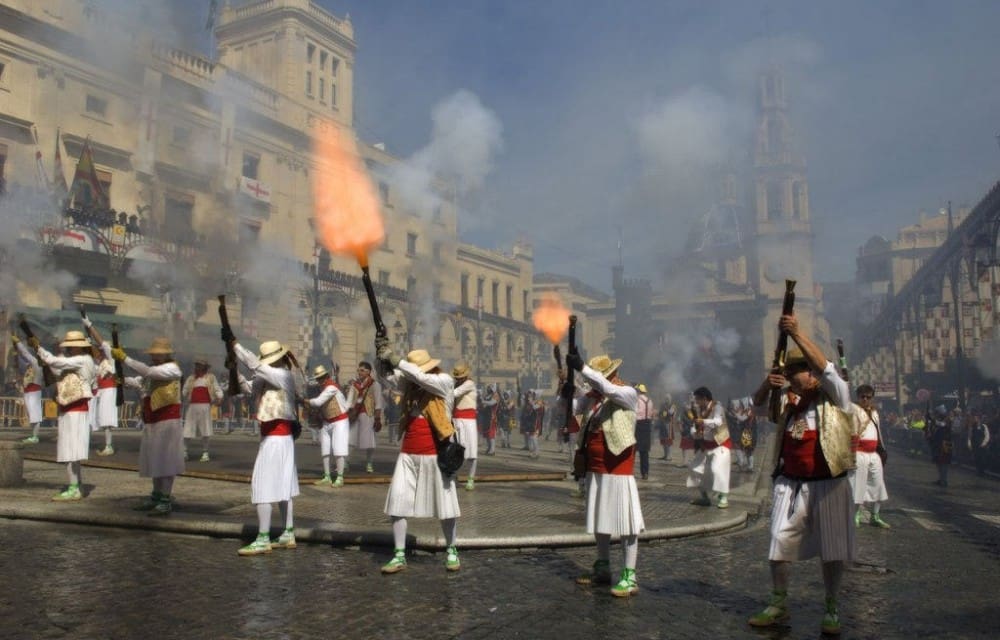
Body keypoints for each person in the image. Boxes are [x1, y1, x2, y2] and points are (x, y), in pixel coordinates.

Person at [748, 314, 856, 636]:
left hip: (829, 483)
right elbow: (757, 404)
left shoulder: (836, 394)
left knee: (833, 549)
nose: (799, 375)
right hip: (791, 483)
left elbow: (826, 368)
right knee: (778, 541)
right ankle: (778, 602)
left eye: (803, 369)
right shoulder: (786, 401)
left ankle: (831, 606)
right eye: (794, 370)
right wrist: (768, 383)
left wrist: (795, 333)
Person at [375, 341, 461, 574]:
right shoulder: (410, 383)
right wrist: (381, 357)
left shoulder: (443, 381)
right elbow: (385, 377)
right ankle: (399, 555)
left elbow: (418, 376)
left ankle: (452, 550)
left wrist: (396, 360)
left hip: (436, 454)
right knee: (396, 504)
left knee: (446, 508)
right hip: (408, 454)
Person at [567, 352, 644, 598]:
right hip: (595, 465)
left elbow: (607, 388)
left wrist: (582, 368)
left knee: (627, 522)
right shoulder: (592, 398)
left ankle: (630, 575)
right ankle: (603, 565)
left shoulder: (626, 393)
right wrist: (566, 393)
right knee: (600, 518)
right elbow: (570, 410)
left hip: (618, 465)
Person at [226, 332, 302, 556]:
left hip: (276, 438)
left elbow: (255, 365)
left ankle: (263, 538)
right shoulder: (269, 375)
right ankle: (288, 533)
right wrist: (234, 369)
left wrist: (235, 346)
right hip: (276, 437)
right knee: (283, 487)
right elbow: (248, 387)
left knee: (263, 486)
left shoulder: (282, 375)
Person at [113, 337, 184, 516]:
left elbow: (148, 372)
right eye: (154, 354)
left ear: (167, 355)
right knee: (155, 460)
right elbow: (139, 382)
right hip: (153, 420)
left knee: (166, 461)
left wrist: (125, 358)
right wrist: (120, 378)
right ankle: (156, 495)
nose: (155, 356)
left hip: (168, 420)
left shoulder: (172, 368)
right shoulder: (152, 372)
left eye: (159, 354)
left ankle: (165, 499)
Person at [28, 331, 97, 501]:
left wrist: (39, 348)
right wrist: (43, 359)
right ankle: (76, 485)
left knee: (70, 451)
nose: (69, 349)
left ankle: (74, 488)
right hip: (70, 408)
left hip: (75, 409)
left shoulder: (82, 359)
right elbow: (57, 369)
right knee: (71, 451)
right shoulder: (78, 361)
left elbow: (54, 361)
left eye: (71, 346)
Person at [850, 384, 890, 528]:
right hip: (859, 453)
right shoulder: (853, 411)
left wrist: (882, 449)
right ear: (858, 397)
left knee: (878, 484)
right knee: (858, 485)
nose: (865, 399)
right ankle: (855, 515)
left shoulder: (874, 413)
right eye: (863, 397)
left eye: (868, 397)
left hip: (873, 453)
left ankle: (875, 515)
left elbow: (878, 432)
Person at [685, 386, 731, 508]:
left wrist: (703, 421)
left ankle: (723, 497)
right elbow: (694, 425)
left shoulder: (717, 407)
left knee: (717, 469)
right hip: (705, 444)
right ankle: (704, 497)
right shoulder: (699, 410)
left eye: (698, 399)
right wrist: (694, 432)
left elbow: (718, 422)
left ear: (704, 398)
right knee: (694, 468)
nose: (696, 402)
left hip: (720, 444)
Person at [308, 364, 349, 487]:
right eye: (318, 378)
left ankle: (340, 477)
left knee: (338, 449)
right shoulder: (323, 388)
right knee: (325, 449)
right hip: (327, 421)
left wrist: (306, 401)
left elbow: (318, 402)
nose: (319, 380)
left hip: (340, 421)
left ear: (326, 377)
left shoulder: (331, 387)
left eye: (321, 378)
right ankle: (327, 476)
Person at [182, 359, 224, 462]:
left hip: (205, 406)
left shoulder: (210, 378)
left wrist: (219, 397)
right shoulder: (191, 378)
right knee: (188, 429)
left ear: (204, 367)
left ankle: (205, 452)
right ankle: (184, 451)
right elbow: (184, 391)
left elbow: (217, 389)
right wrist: (184, 393)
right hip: (192, 406)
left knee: (205, 430)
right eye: (197, 365)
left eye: (199, 365)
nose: (197, 367)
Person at [346, 361, 383, 473]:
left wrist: (377, 418)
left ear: (368, 372)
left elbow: (378, 403)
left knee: (369, 441)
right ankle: (346, 462)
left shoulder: (375, 385)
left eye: (362, 370)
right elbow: (349, 401)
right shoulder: (354, 385)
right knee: (350, 439)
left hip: (368, 415)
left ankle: (369, 463)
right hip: (355, 415)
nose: (359, 372)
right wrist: (346, 412)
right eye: (358, 370)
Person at [13, 334, 45, 444]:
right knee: (32, 415)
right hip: (29, 391)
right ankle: (33, 435)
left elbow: (25, 353)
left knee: (35, 415)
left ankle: (35, 437)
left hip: (34, 392)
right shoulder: (33, 364)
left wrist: (18, 343)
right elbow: (22, 359)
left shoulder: (36, 363)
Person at [451, 361, 479, 490]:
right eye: (457, 377)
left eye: (460, 377)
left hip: (468, 421)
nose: (458, 379)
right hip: (456, 420)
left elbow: (454, 393)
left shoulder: (469, 383)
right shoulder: (456, 384)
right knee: (455, 450)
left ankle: (471, 479)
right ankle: (453, 476)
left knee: (471, 452)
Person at [926, 405, 953, 487]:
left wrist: (931, 419)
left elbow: (942, 425)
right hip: (938, 445)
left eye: (937, 413)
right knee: (938, 462)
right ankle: (941, 479)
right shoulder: (938, 421)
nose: (936, 415)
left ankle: (944, 480)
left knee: (944, 463)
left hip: (945, 445)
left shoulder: (947, 420)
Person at [729, 397, 758, 472]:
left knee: (748, 447)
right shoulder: (745, 409)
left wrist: (735, 413)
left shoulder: (748, 406)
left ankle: (750, 467)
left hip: (748, 429)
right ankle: (742, 464)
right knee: (740, 445)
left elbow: (744, 416)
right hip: (741, 427)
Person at [634, 383, 654, 480]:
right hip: (647, 425)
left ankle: (630, 471)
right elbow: (651, 413)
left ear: (638, 391)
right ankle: (645, 473)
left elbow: (634, 412)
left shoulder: (637, 400)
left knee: (633, 450)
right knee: (644, 452)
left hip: (638, 425)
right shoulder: (650, 401)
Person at [967, 410, 991, 477]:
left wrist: (984, 443)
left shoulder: (984, 426)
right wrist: (969, 444)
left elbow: (987, 435)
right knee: (976, 458)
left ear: (979, 419)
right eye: (974, 418)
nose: (975, 419)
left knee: (983, 459)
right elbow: (970, 436)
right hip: (975, 445)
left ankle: (982, 471)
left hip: (982, 445)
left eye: (976, 418)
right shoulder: (972, 426)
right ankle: (978, 471)